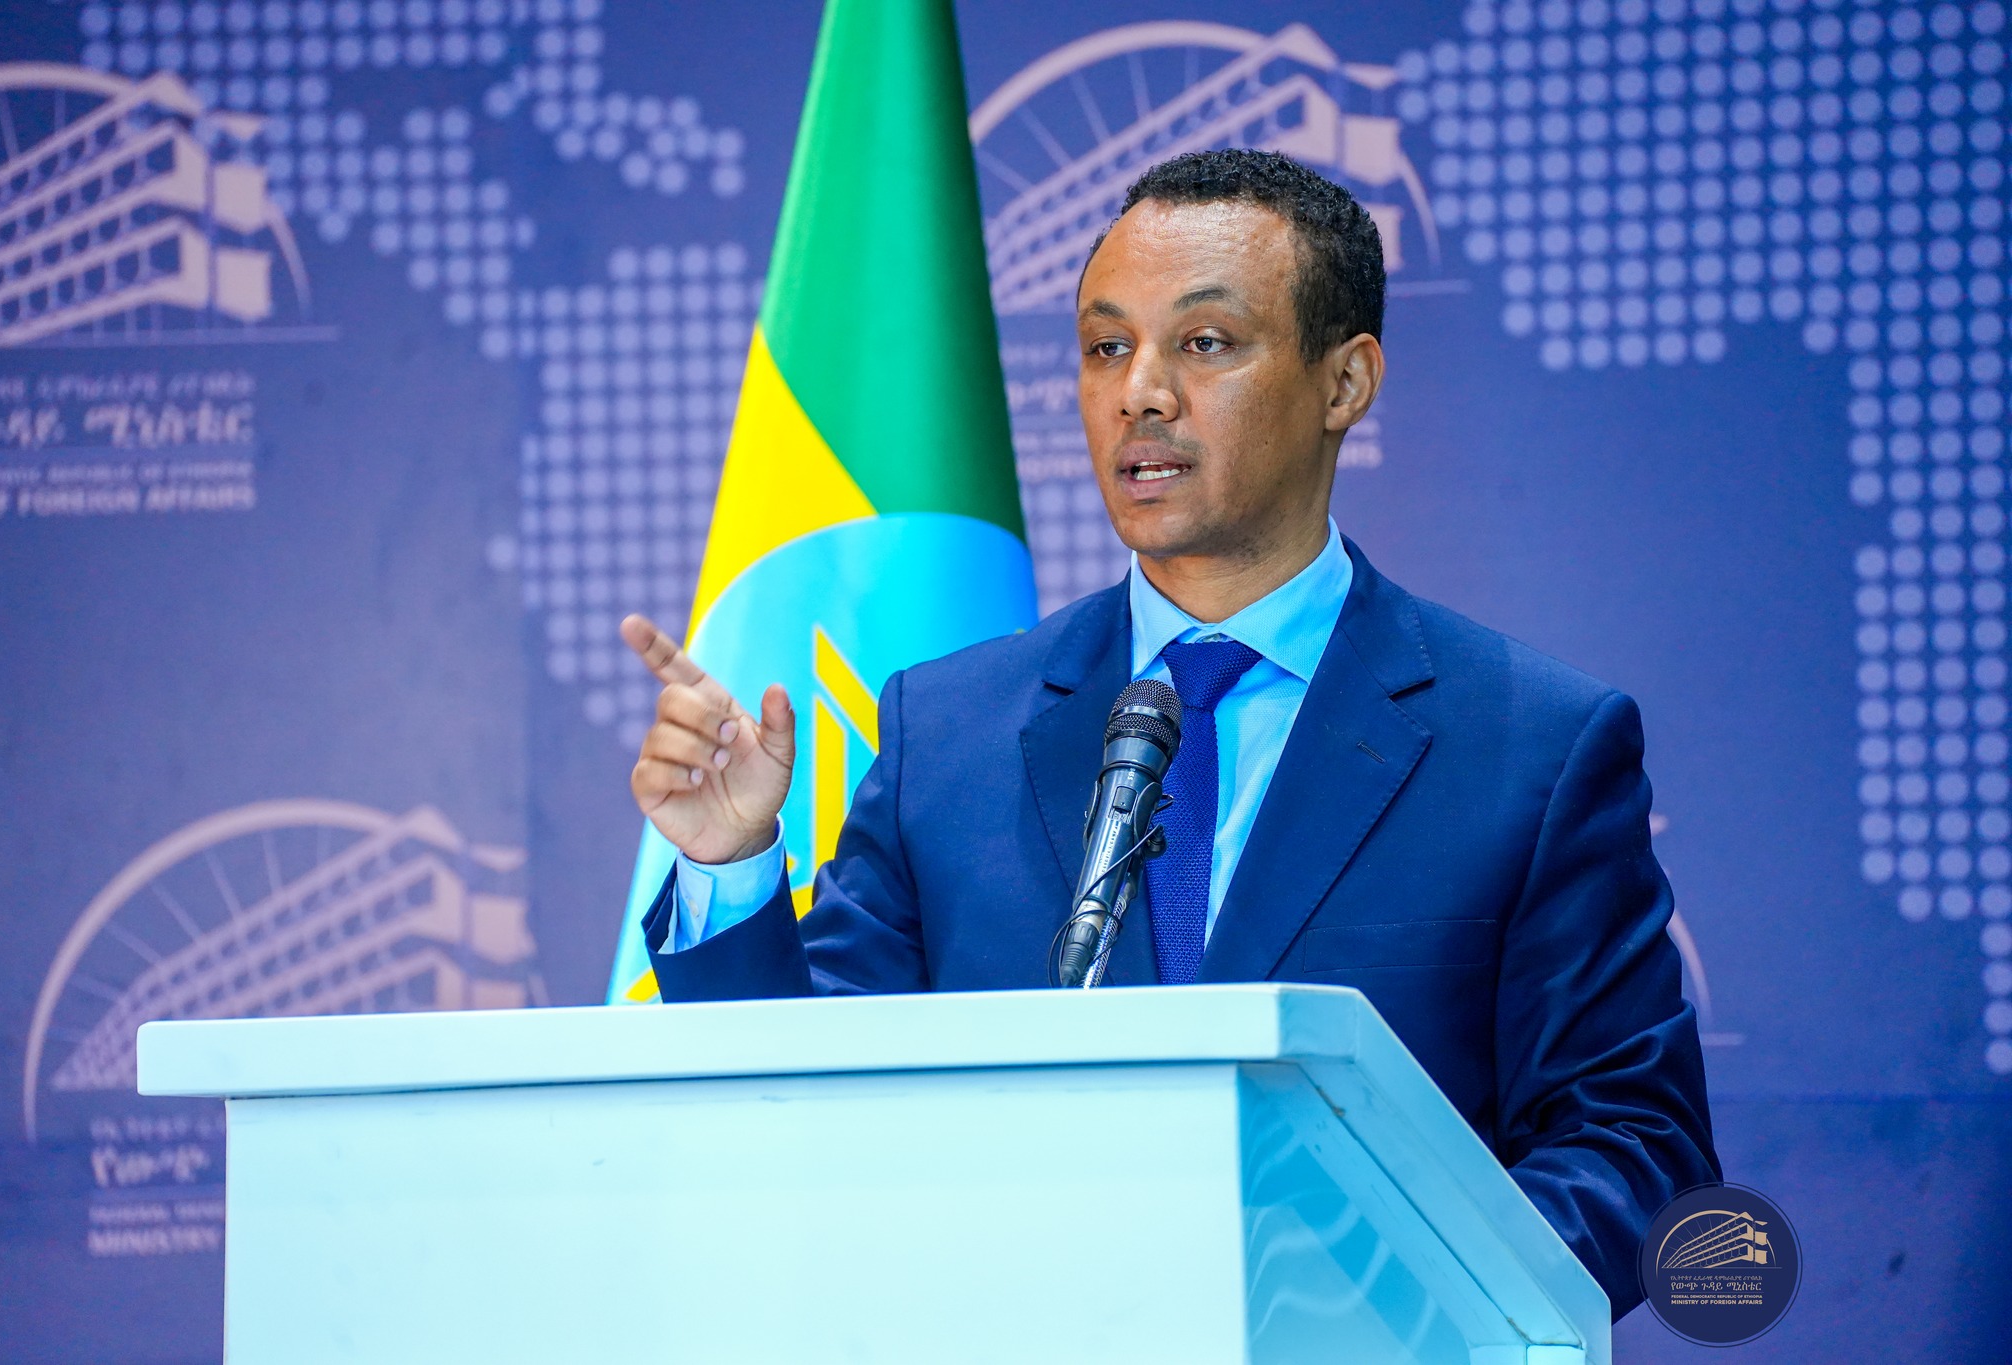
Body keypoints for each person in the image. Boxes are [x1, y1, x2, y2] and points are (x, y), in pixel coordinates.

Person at [617, 149, 1718, 1317]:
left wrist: (1367, 1309)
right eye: (1105, 348)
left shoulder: (1529, 745)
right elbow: (811, 1112)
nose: (1139, 392)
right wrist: (729, 868)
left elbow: (1631, 1148)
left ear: (1344, 382)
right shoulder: (948, 729)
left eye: (1203, 342)